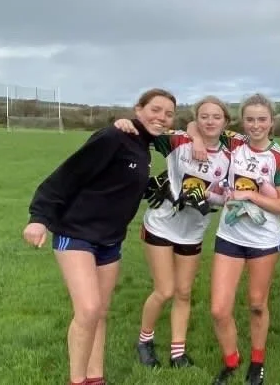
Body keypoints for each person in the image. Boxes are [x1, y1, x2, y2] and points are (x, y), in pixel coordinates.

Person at [22, 88, 177, 385]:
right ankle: (77, 380)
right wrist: (39, 218)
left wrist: (155, 187)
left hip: (110, 240)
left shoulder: (143, 147)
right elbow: (68, 175)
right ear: (139, 109)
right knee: (88, 310)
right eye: (155, 110)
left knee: (101, 312)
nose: (162, 117)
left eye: (169, 114)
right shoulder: (114, 137)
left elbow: (119, 184)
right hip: (76, 233)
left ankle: (96, 378)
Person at [113, 96, 232, 368]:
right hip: (161, 225)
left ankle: (178, 352)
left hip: (193, 231)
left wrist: (208, 197)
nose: (210, 121)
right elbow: (144, 130)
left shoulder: (230, 155)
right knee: (164, 290)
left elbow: (223, 195)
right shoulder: (178, 141)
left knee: (184, 292)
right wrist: (123, 123)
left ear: (225, 121)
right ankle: (144, 340)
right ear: (196, 119)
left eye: (216, 117)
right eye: (204, 116)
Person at [187, 93, 280, 385]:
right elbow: (196, 125)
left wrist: (251, 195)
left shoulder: (279, 158)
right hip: (230, 236)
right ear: (241, 121)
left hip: (263, 241)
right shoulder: (233, 142)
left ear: (271, 122)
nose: (256, 125)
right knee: (219, 309)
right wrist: (196, 141)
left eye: (262, 120)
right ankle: (231, 361)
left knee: (257, 304)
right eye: (250, 119)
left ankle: (257, 362)